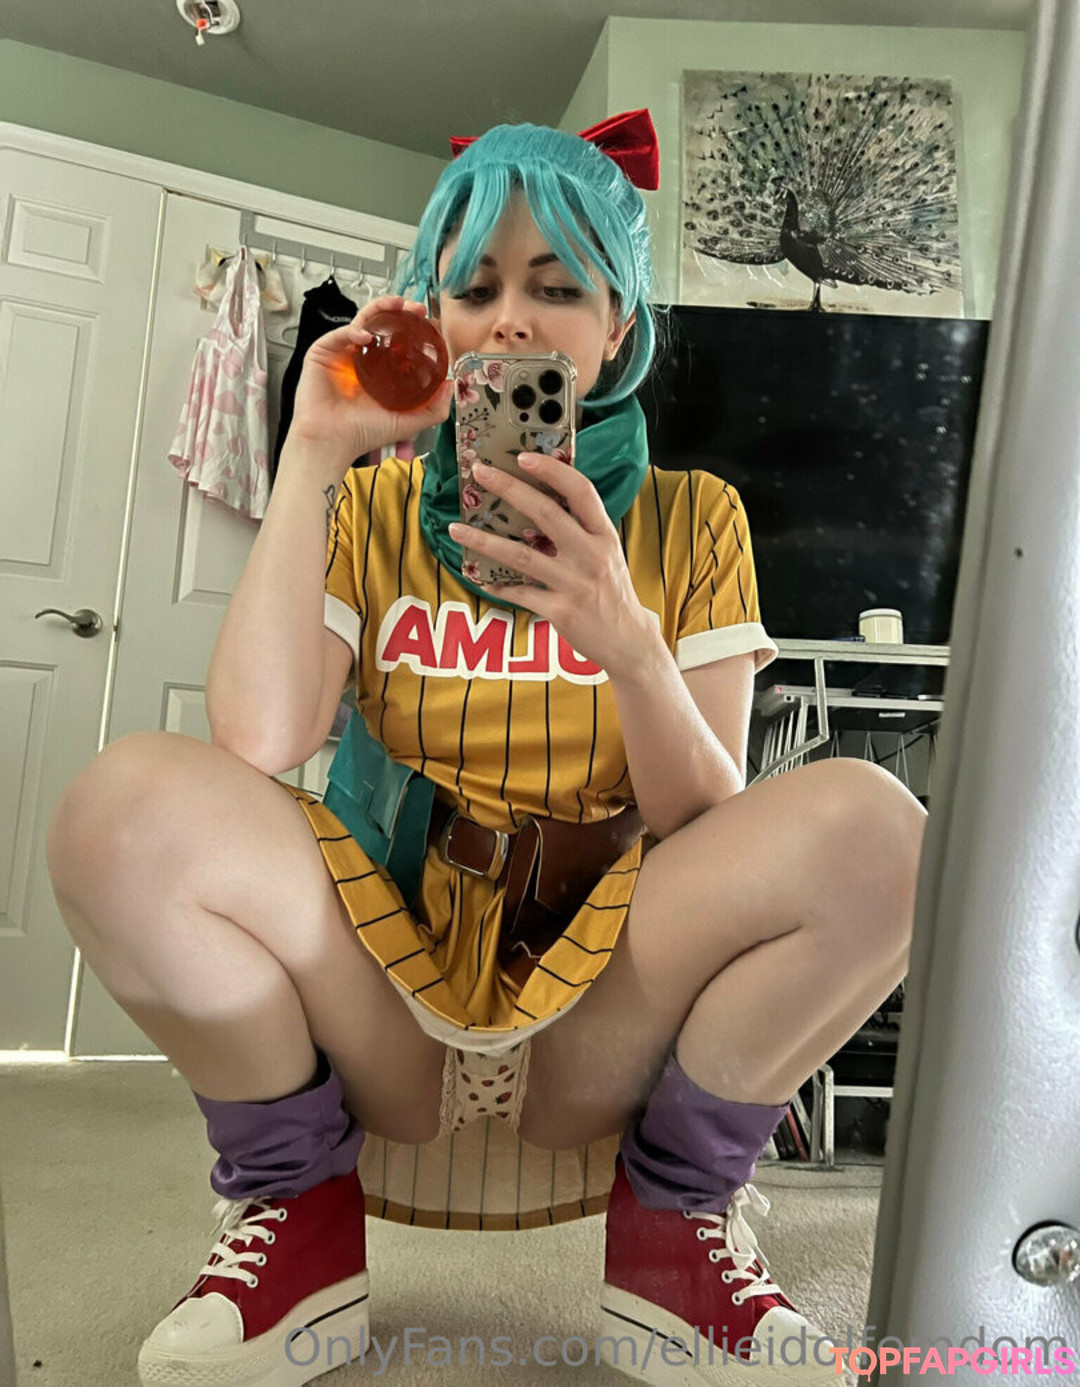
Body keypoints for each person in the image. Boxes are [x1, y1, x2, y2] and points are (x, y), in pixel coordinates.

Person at [45, 109, 927, 1387]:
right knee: (118, 811)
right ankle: (299, 1221)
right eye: (475, 288)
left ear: (617, 327)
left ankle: (674, 1234)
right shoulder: (368, 506)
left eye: (557, 288)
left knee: (885, 836)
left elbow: (712, 826)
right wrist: (312, 454)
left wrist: (624, 635)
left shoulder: (696, 519)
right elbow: (261, 737)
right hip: (383, 993)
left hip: (605, 1003)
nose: (512, 321)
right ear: (431, 321)